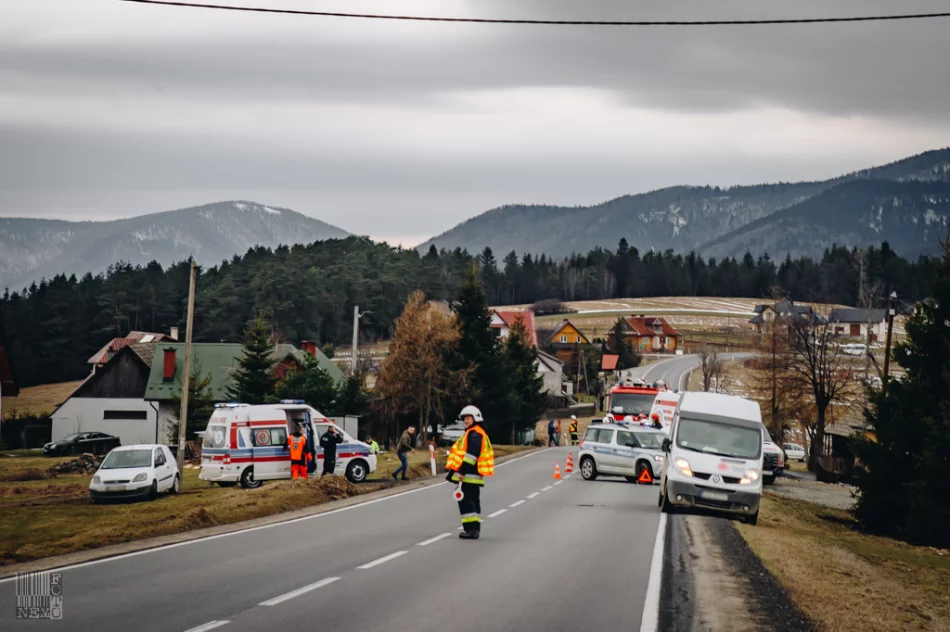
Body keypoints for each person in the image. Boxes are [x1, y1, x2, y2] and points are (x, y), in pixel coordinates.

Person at [445, 405, 494, 540]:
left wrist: (462, 471)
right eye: (464, 418)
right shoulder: (475, 433)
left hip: (468, 475)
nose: (465, 421)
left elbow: (471, 455)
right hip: (472, 475)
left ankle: (471, 530)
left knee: (467, 501)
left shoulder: (475, 434)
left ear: (475, 418)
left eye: (468, 418)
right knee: (472, 501)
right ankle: (474, 529)